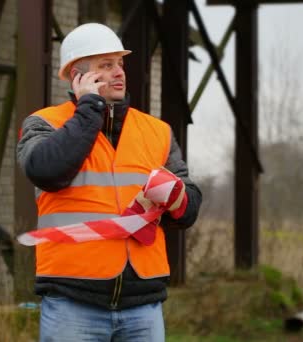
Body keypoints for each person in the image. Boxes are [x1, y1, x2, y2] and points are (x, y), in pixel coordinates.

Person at [16, 23, 202, 341]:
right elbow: (47, 171)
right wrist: (89, 108)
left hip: (143, 304)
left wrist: (176, 196)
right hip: (72, 302)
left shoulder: (156, 131)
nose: (119, 73)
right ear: (78, 75)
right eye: (106, 65)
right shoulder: (44, 123)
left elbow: (188, 209)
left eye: (120, 64)